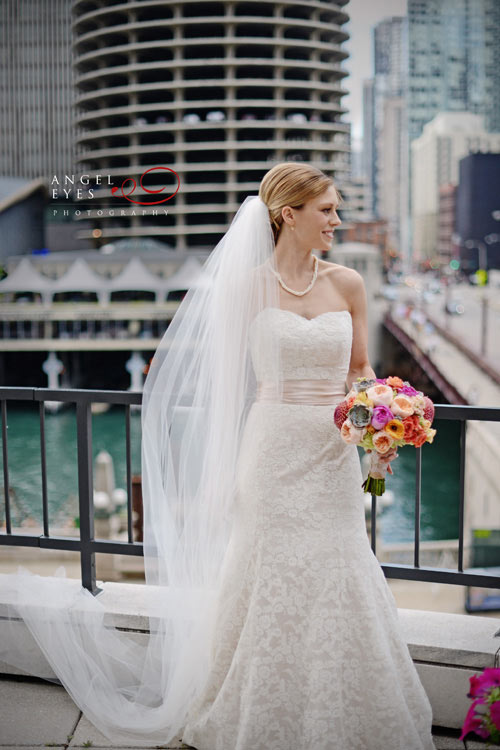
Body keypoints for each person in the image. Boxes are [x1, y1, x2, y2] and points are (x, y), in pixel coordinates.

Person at [0, 162, 435, 750]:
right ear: (289, 214)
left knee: (341, 568)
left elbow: (360, 369)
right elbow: (226, 385)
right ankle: (255, 712)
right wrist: (218, 472)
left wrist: (385, 408)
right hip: (272, 449)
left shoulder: (349, 283)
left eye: (336, 209)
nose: (337, 220)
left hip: (334, 453)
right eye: (326, 210)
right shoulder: (243, 286)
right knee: (269, 574)